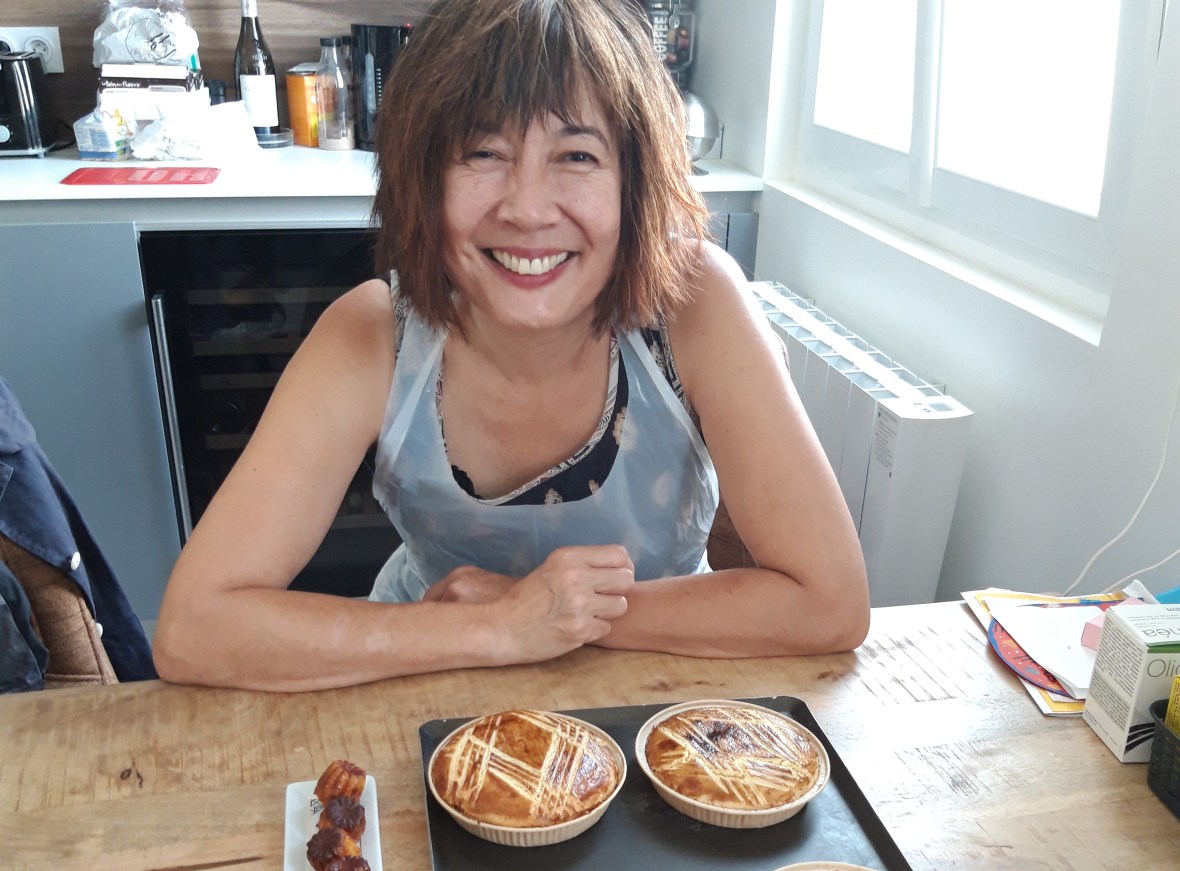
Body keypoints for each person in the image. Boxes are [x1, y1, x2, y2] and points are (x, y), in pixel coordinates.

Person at [152, 0, 870, 692]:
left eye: (577, 155)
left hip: (662, 684)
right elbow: (194, 628)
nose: (527, 209)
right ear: (422, 177)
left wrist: (558, 617)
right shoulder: (370, 336)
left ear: (635, 181)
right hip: (430, 677)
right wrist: (493, 628)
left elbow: (829, 602)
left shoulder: (694, 304)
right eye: (483, 152)